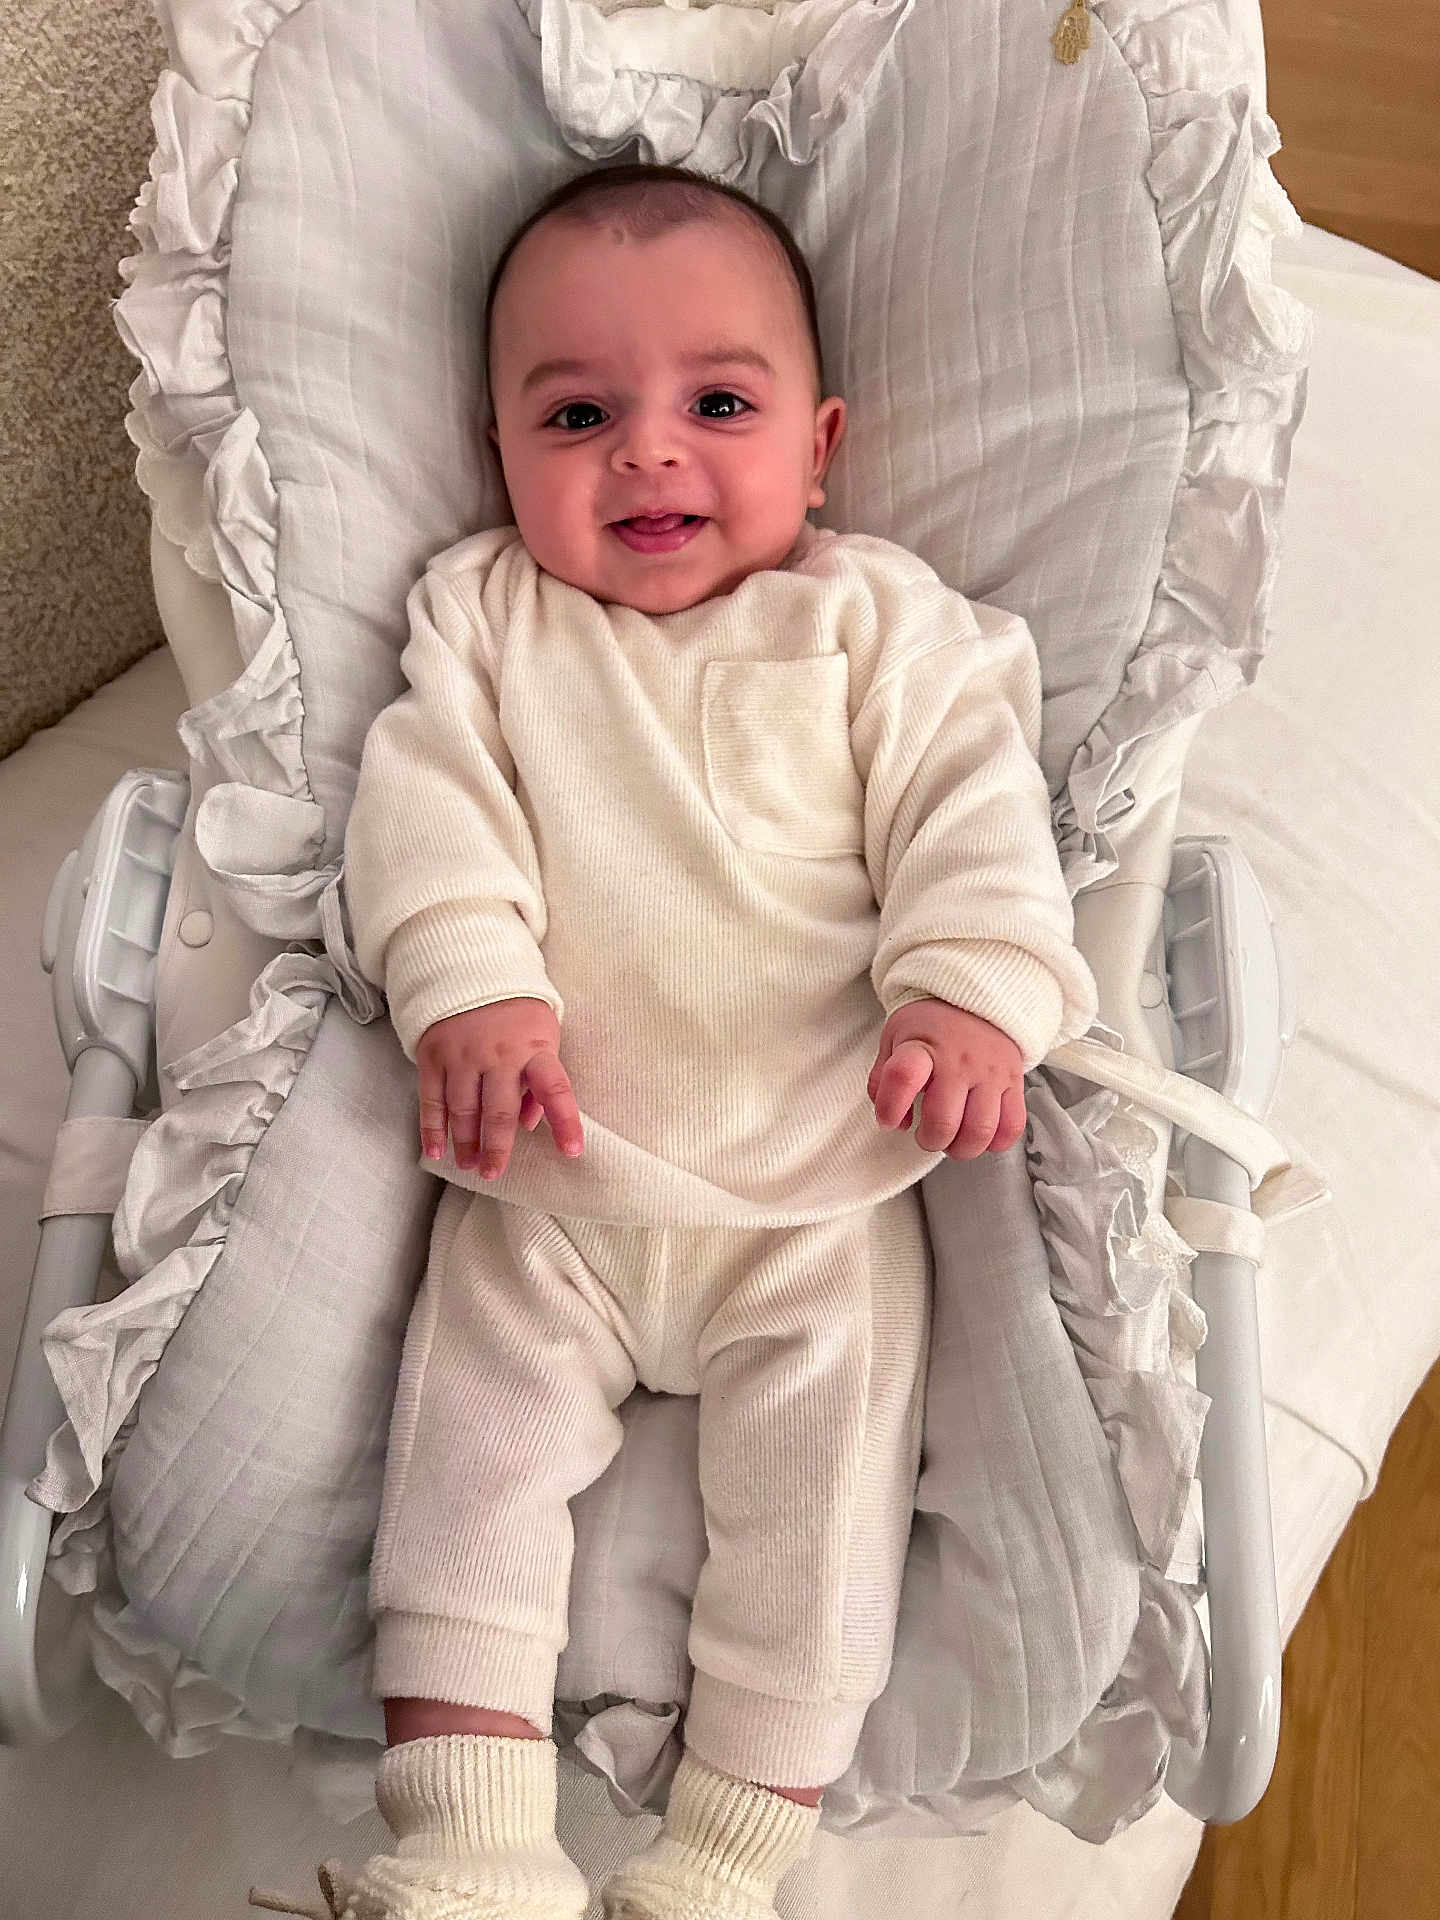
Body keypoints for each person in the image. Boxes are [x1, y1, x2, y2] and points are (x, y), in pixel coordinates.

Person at [330, 160, 1098, 1920]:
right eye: (579, 413)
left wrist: (971, 985)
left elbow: (972, 813)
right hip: (554, 1178)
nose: (649, 454)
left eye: (719, 405)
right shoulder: (485, 616)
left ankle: (722, 1861)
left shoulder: (874, 619)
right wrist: (469, 979)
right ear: (497, 445)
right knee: (464, 1473)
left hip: (821, 1194)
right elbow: (424, 806)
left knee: (823, 1516)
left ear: (820, 444)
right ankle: (467, 1841)